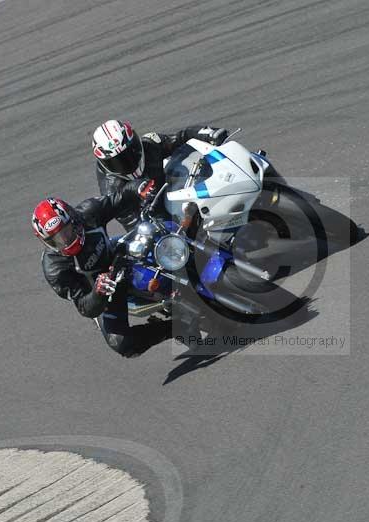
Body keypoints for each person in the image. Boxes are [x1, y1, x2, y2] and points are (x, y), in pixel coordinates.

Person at [31, 181, 154, 355]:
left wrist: (139, 188)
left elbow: (120, 198)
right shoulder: (55, 269)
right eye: (56, 240)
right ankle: (172, 329)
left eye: (66, 232)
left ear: (73, 220)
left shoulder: (89, 212)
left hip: (119, 255)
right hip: (104, 292)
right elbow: (84, 306)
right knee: (122, 344)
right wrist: (98, 292)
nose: (65, 241)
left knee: (156, 231)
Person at [92, 119, 228, 231]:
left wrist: (207, 134)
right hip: (151, 219)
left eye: (131, 152)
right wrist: (134, 190)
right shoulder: (112, 189)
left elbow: (181, 137)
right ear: (105, 164)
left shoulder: (150, 144)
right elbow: (135, 225)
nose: (128, 162)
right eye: (118, 162)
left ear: (136, 143)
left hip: (170, 191)